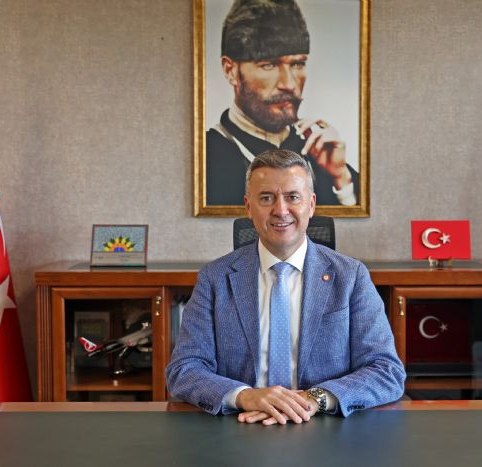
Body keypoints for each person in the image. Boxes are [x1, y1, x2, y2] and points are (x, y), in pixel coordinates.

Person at [167, 149, 405, 424]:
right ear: (248, 207)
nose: (280, 210)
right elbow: (184, 369)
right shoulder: (215, 278)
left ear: (311, 205)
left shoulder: (351, 277)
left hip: (325, 425)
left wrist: (313, 398)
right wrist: (245, 396)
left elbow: (386, 370)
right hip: (240, 424)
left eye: (293, 197)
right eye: (266, 198)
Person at [206, 0, 360, 207]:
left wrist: (341, 179)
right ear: (230, 70)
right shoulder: (206, 157)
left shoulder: (322, 156)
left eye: (297, 64)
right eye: (269, 65)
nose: (289, 84)